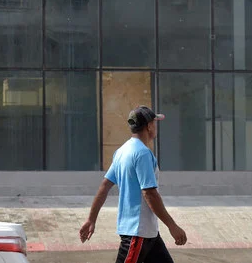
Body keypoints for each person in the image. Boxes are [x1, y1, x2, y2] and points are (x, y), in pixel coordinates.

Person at [79, 105, 187, 263]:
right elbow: (149, 193)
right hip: (137, 233)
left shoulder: (122, 151)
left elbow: (105, 186)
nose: (156, 126)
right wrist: (172, 226)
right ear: (149, 126)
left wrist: (91, 219)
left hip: (149, 234)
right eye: (154, 123)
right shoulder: (143, 153)